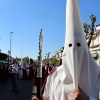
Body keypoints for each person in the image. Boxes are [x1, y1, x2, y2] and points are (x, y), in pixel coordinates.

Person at [32, 0, 100, 99]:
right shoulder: (54, 76)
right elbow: (47, 97)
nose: (74, 51)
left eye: (78, 45)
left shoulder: (98, 76)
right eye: (70, 46)